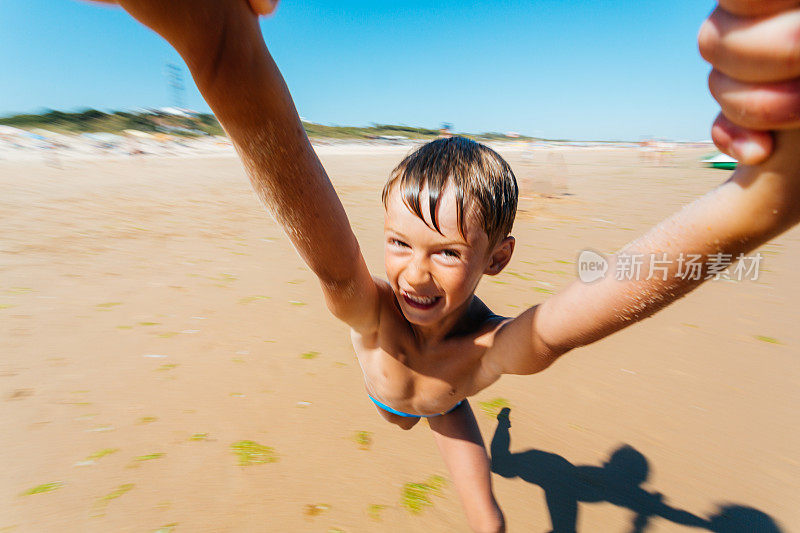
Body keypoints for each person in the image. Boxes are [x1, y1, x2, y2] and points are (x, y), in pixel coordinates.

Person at [84, 2, 800, 531]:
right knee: (454, 410)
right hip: (389, 388)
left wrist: (765, 200)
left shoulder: (491, 348)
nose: (415, 276)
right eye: (399, 243)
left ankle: (497, 444)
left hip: (444, 406)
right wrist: (218, 40)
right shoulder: (371, 308)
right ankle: (507, 433)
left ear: (500, 256)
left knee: (488, 520)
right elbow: (327, 248)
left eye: (449, 252)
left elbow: (591, 304)